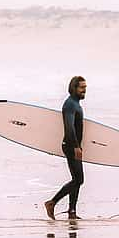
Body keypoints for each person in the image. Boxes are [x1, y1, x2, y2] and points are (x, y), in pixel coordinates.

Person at [44, 76, 86, 220]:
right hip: (70, 146)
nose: (84, 90)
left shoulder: (76, 104)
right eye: (81, 88)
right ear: (74, 88)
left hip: (74, 146)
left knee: (76, 178)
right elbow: (69, 128)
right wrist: (75, 147)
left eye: (85, 88)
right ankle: (52, 202)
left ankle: (72, 211)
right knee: (78, 180)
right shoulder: (70, 104)